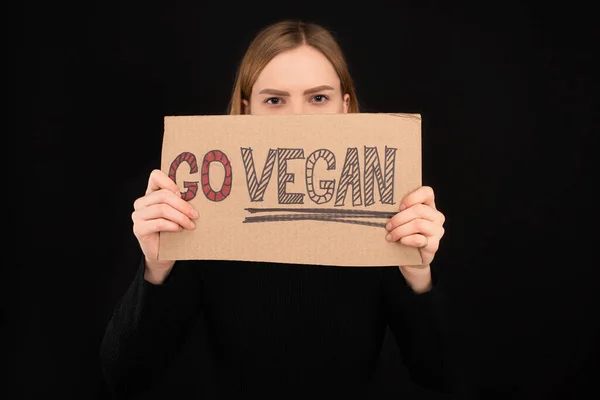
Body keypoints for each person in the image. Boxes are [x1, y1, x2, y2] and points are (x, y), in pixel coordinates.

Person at [100, 19, 460, 399]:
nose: (298, 118)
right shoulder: (203, 216)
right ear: (246, 109)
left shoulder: (383, 216)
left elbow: (442, 376)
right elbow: (124, 375)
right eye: (274, 100)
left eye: (318, 98)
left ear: (345, 106)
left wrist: (418, 276)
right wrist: (156, 271)